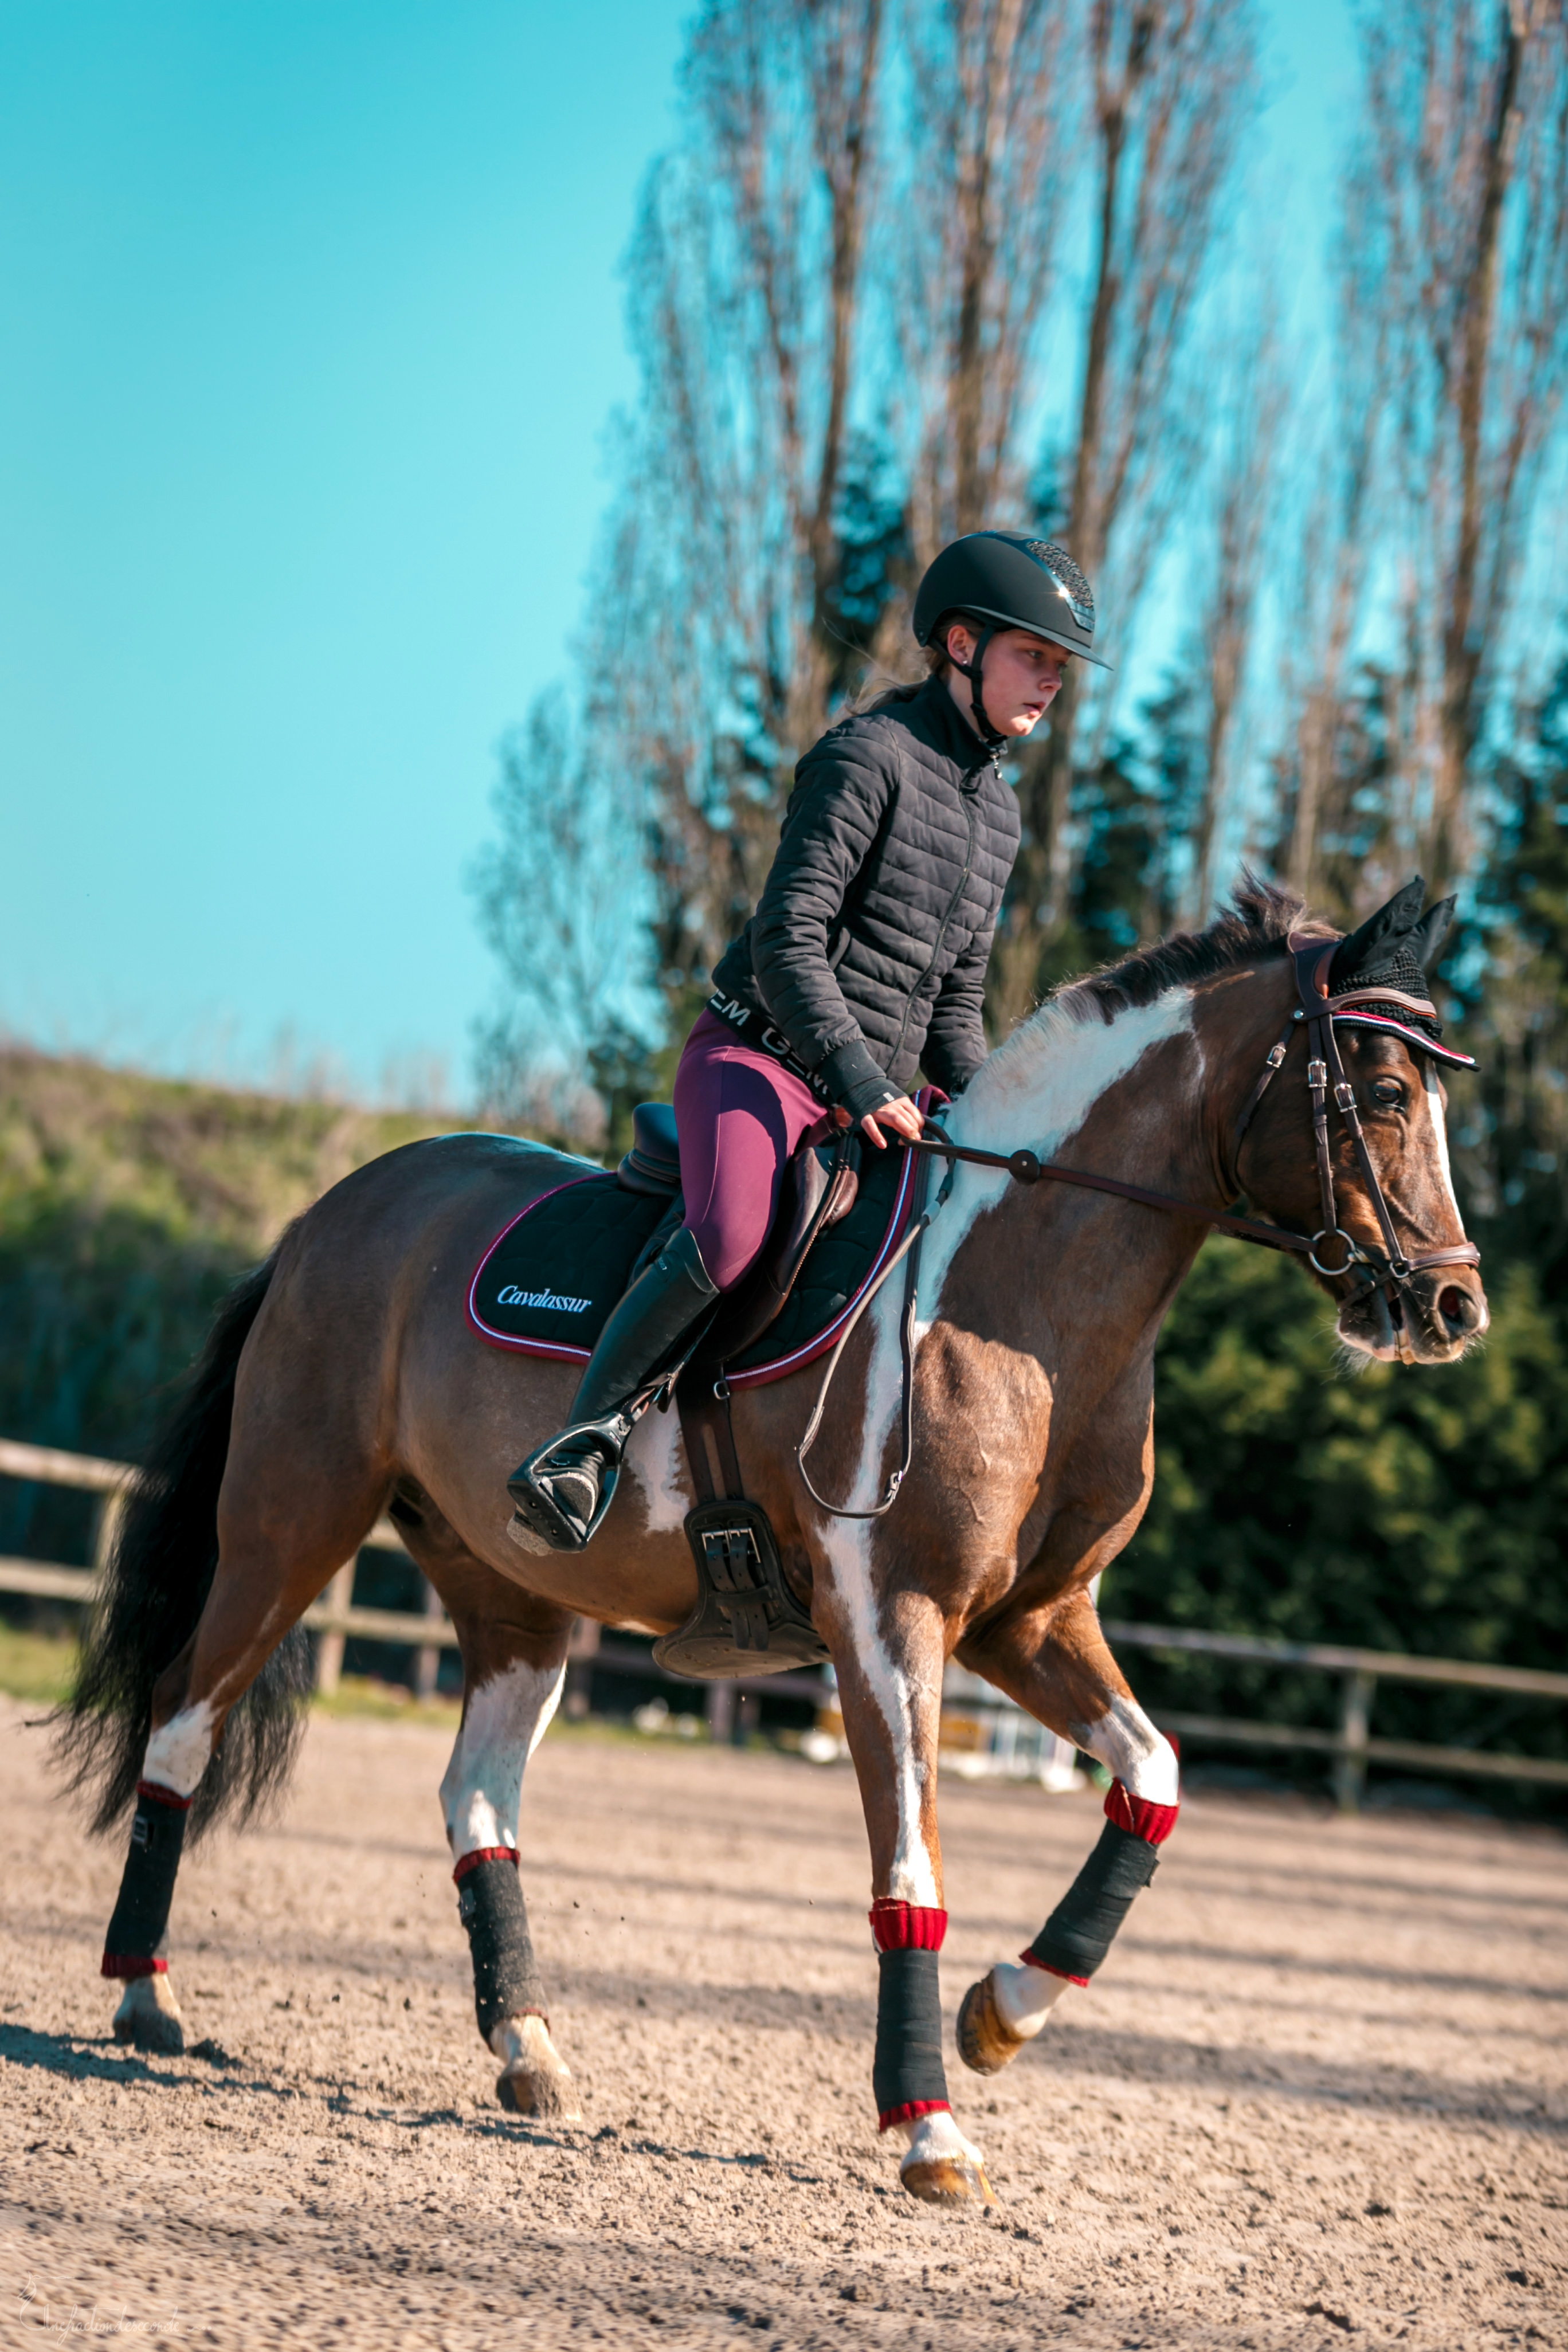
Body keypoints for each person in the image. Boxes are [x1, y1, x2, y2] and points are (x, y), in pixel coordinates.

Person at [507, 530, 1110, 1554]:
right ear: (961, 645)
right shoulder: (864, 757)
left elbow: (957, 1008)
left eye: (1060, 668)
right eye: (1034, 657)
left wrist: (1007, 1118)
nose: (1050, 684)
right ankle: (587, 1441)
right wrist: (864, 1079)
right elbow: (789, 941)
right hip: (760, 1061)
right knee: (736, 1231)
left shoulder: (1000, 816)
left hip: (870, 1094)